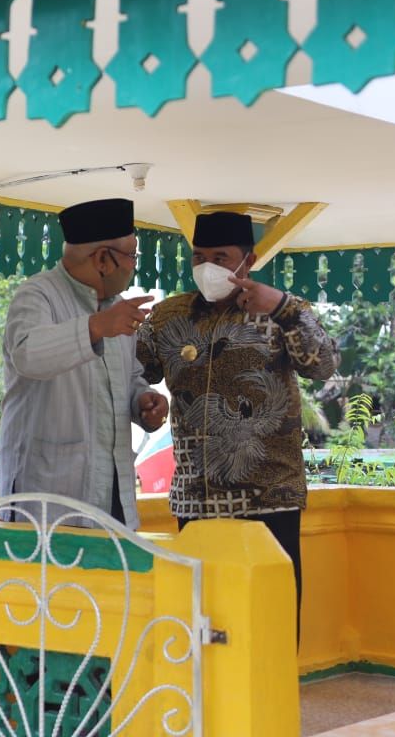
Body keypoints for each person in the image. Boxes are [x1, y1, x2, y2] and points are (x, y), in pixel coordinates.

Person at [136, 211, 338, 625]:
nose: (207, 267)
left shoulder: (283, 311)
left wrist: (282, 308)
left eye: (221, 257)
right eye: (199, 257)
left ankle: (273, 691)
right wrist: (144, 401)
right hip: (196, 497)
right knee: (202, 615)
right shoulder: (168, 317)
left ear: (249, 259)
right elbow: (133, 375)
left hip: (269, 495)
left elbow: (323, 365)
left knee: (271, 615)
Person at [0, 198, 168, 528]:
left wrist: (142, 402)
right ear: (103, 259)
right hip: (48, 500)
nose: (134, 265)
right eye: (132, 255)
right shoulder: (37, 295)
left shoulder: (116, 307)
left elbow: (128, 378)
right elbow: (28, 354)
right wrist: (95, 327)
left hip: (113, 495)